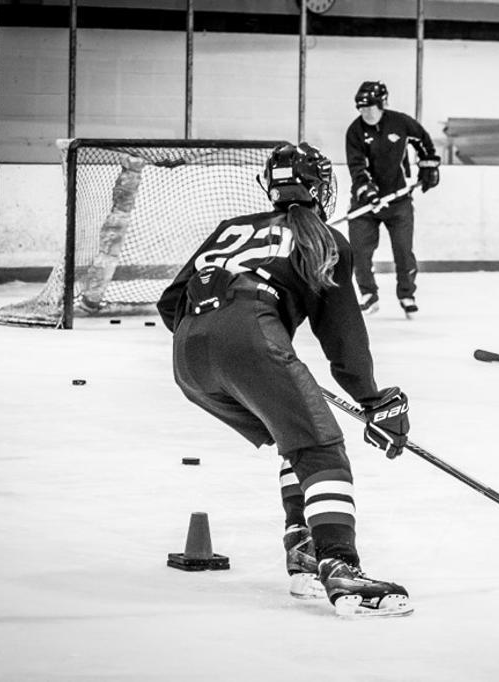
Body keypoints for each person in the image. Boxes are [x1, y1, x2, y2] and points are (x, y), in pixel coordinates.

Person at [157, 142, 413, 618]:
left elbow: (170, 303)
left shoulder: (231, 227)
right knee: (319, 446)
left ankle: (305, 550)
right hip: (250, 336)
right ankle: (340, 566)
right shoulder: (324, 238)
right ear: (321, 187)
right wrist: (374, 400)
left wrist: (232, 347)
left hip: (188, 358)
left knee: (294, 435)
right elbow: (344, 339)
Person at [345, 80, 440, 316]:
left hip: (398, 201)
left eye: (370, 107)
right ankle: (369, 294)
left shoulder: (400, 122)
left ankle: (407, 294)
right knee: (359, 251)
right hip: (366, 204)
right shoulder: (355, 131)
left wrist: (428, 167)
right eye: (361, 108)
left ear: (382, 104)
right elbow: (357, 167)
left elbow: (423, 142)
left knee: (403, 251)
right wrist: (369, 192)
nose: (365, 112)